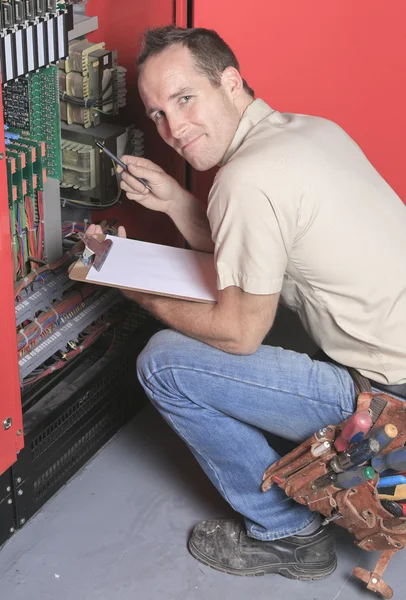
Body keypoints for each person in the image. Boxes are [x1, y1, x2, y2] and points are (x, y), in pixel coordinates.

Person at [86, 26, 406, 581]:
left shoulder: (247, 178)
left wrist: (131, 285)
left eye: (185, 99)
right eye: (158, 113)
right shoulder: (308, 132)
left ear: (230, 83)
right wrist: (178, 204)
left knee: (164, 363)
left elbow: (239, 333)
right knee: (261, 308)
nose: (173, 128)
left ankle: (286, 534)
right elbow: (259, 255)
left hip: (390, 406)